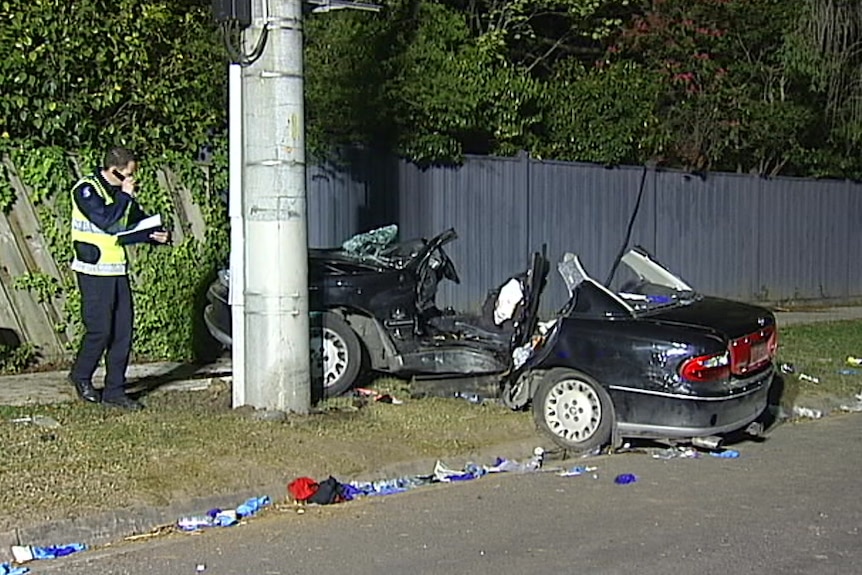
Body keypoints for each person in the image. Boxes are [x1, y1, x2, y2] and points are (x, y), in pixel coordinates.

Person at [67, 147, 170, 410]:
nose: (132, 179)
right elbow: (105, 220)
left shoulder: (121, 194)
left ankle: (115, 391)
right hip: (93, 270)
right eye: (129, 174)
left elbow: (130, 225)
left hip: (116, 269)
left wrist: (153, 235)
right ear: (114, 170)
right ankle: (81, 376)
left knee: (122, 332)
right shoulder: (86, 189)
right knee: (100, 331)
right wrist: (125, 195)